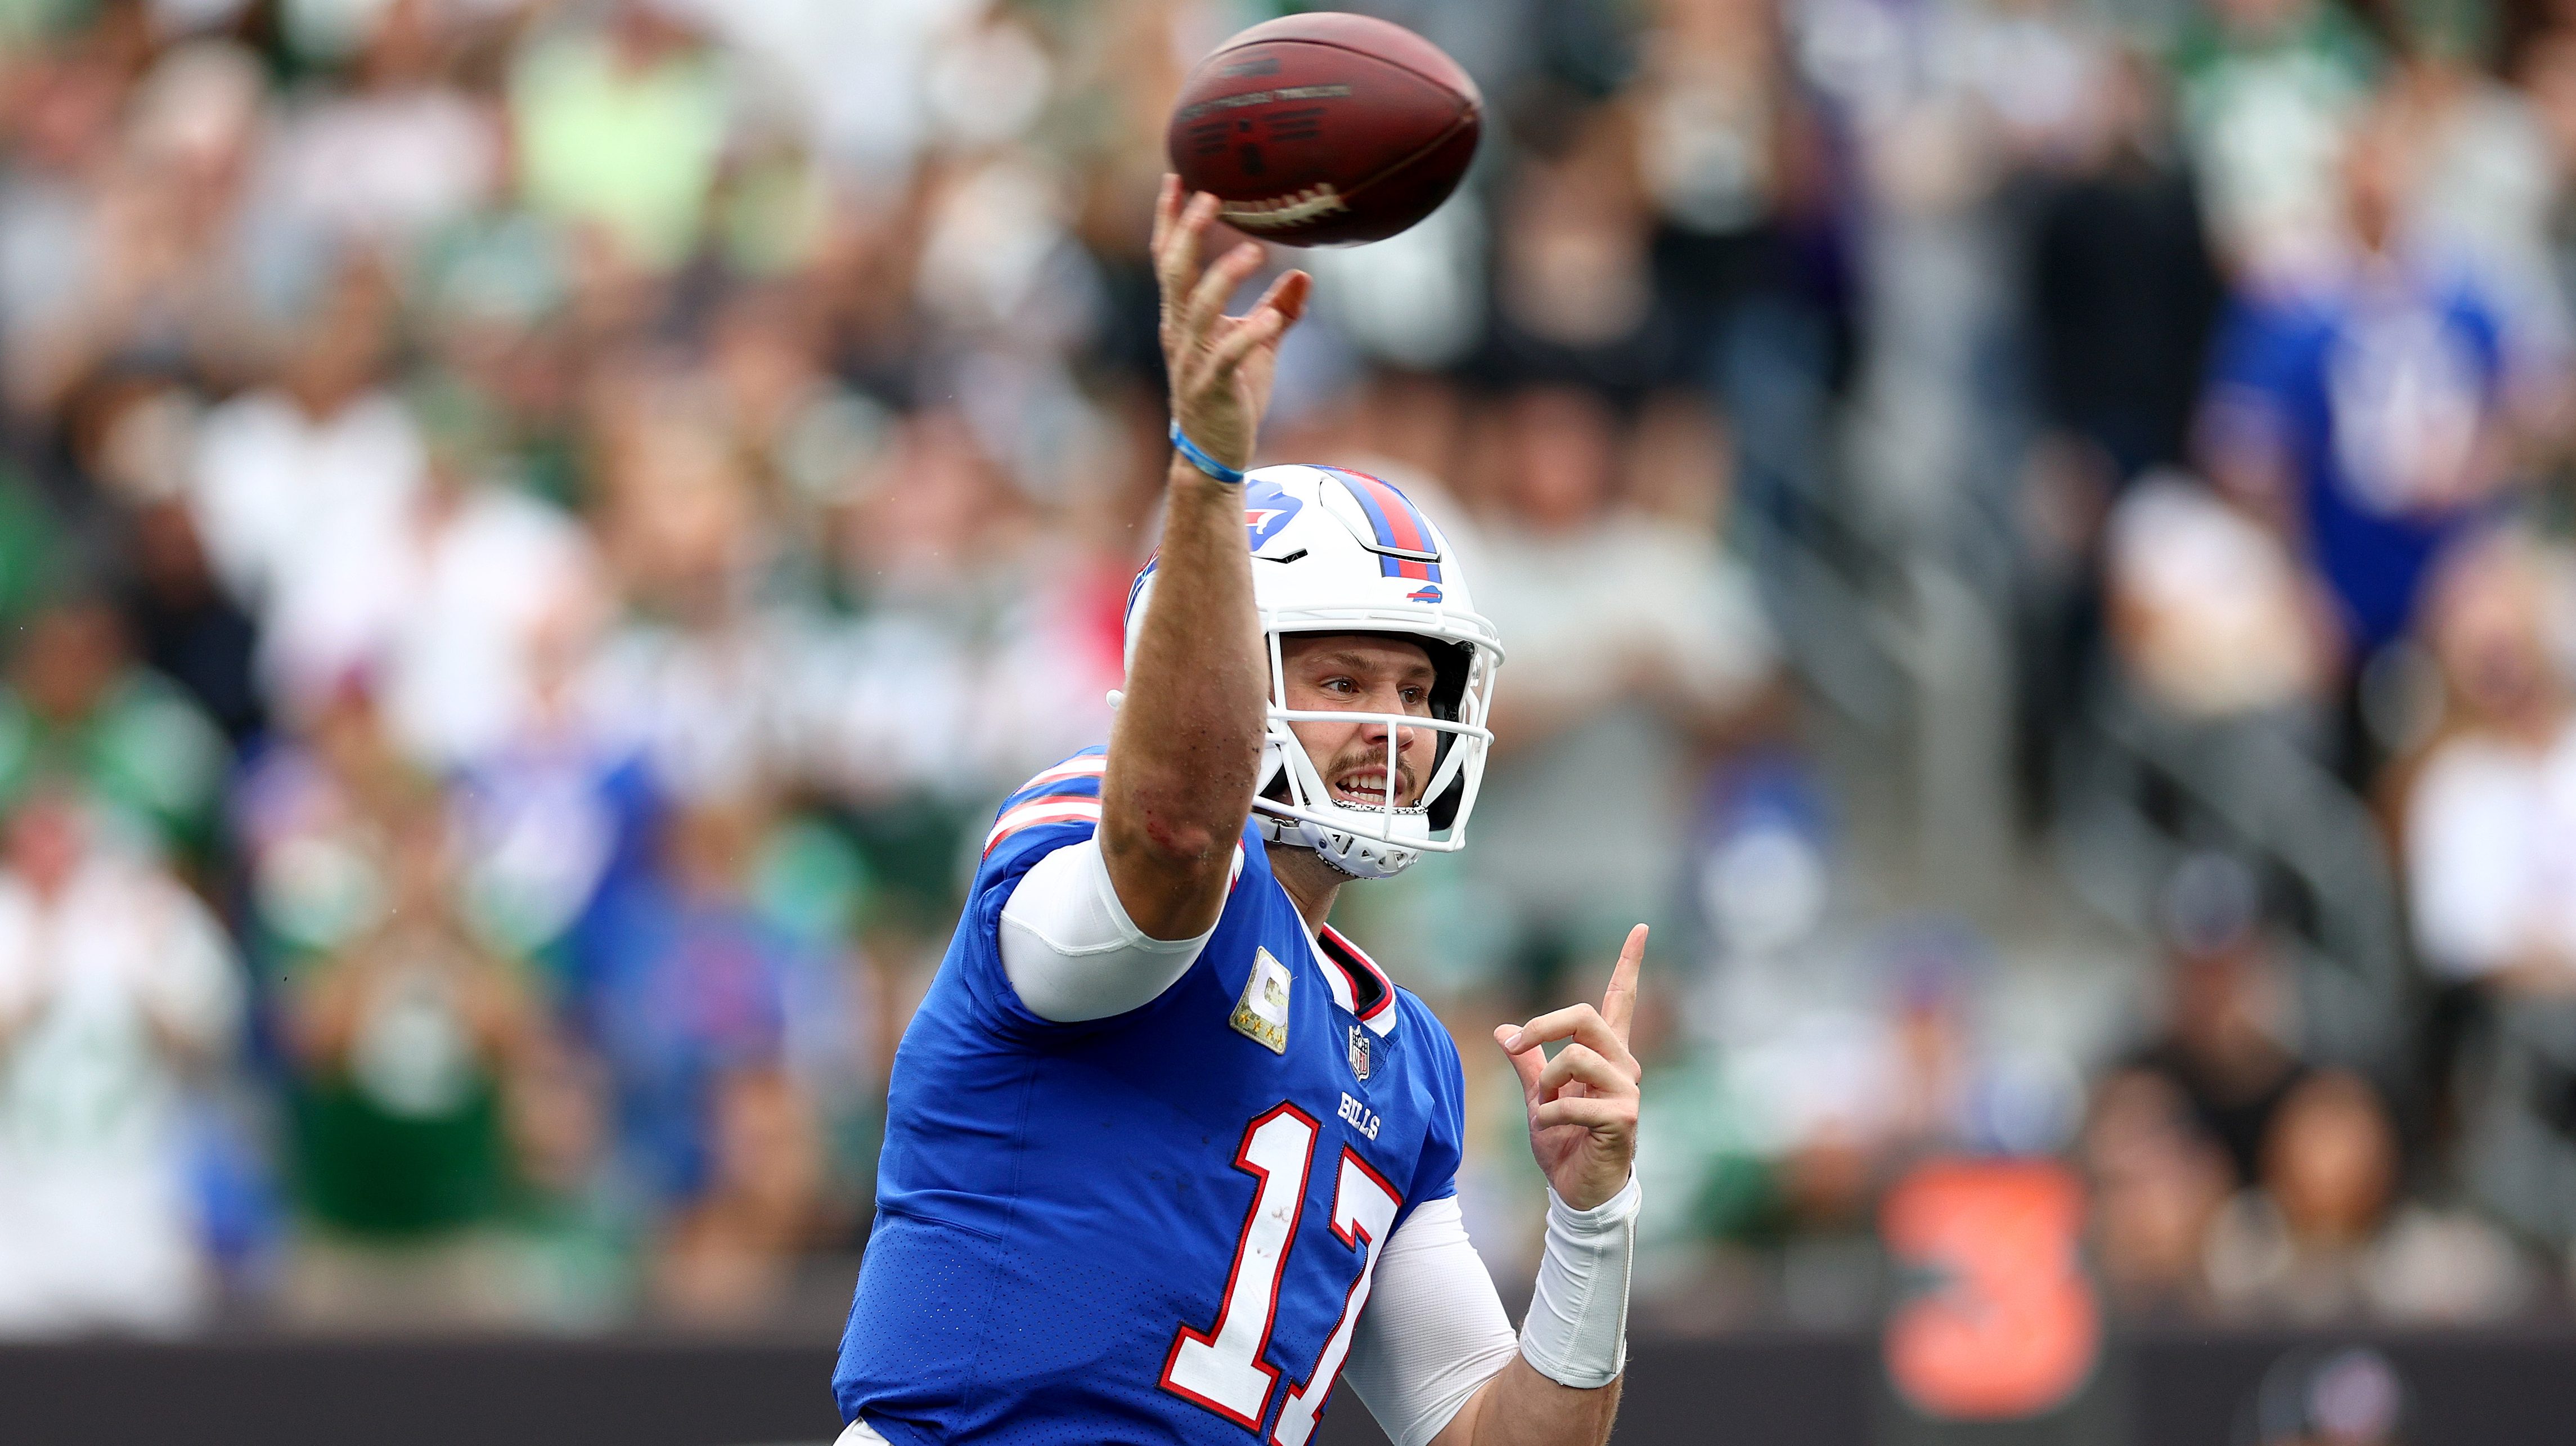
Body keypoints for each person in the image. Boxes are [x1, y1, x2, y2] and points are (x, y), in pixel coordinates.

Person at [832, 181, 1650, 1446]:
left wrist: (1595, 1224)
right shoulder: (1083, 836)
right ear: (1221, 669)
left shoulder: (1410, 1063)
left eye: (1413, 686)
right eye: (1338, 678)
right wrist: (1209, 472)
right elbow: (1173, 839)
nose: (1389, 725)